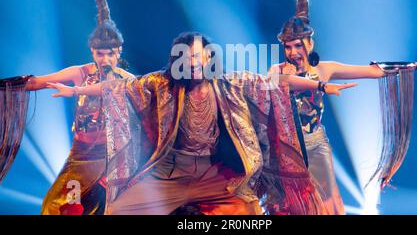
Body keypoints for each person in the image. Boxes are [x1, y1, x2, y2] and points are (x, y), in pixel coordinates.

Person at [48, 31, 357, 215]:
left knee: (249, 213)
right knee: (119, 209)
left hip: (218, 178)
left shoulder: (230, 84)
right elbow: (115, 88)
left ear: (209, 59)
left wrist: (320, 86)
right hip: (170, 175)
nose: (194, 64)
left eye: (199, 58)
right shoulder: (161, 84)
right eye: (187, 59)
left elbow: (275, 82)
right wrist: (76, 90)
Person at [269, 0, 417, 214]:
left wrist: (413, 66)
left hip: (315, 144)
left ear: (309, 43)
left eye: (298, 45)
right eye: (288, 46)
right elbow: (282, 84)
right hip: (285, 147)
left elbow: (372, 71)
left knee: (330, 209)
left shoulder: (324, 69)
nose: (293, 52)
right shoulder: (278, 71)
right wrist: (319, 87)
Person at [26, 0, 134, 215]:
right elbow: (39, 81)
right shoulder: (81, 72)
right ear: (92, 52)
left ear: (119, 52)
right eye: (99, 54)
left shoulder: (126, 81)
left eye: (110, 54)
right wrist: (15, 84)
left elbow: (108, 89)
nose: (105, 59)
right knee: (55, 207)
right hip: (81, 157)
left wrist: (75, 92)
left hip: (113, 161)